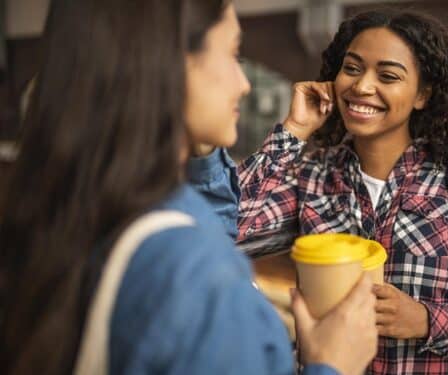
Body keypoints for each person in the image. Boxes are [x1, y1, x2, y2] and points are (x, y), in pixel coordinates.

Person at [0, 1, 377, 374]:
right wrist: (331, 365)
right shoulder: (195, 270)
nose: (243, 84)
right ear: (169, 66)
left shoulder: (64, 212)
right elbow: (229, 226)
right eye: (233, 54)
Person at [222, 9, 448, 375]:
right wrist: (294, 130)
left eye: (387, 76)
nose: (363, 86)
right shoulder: (312, 176)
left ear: (422, 94)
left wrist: (427, 320)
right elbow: (226, 225)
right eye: (352, 68)